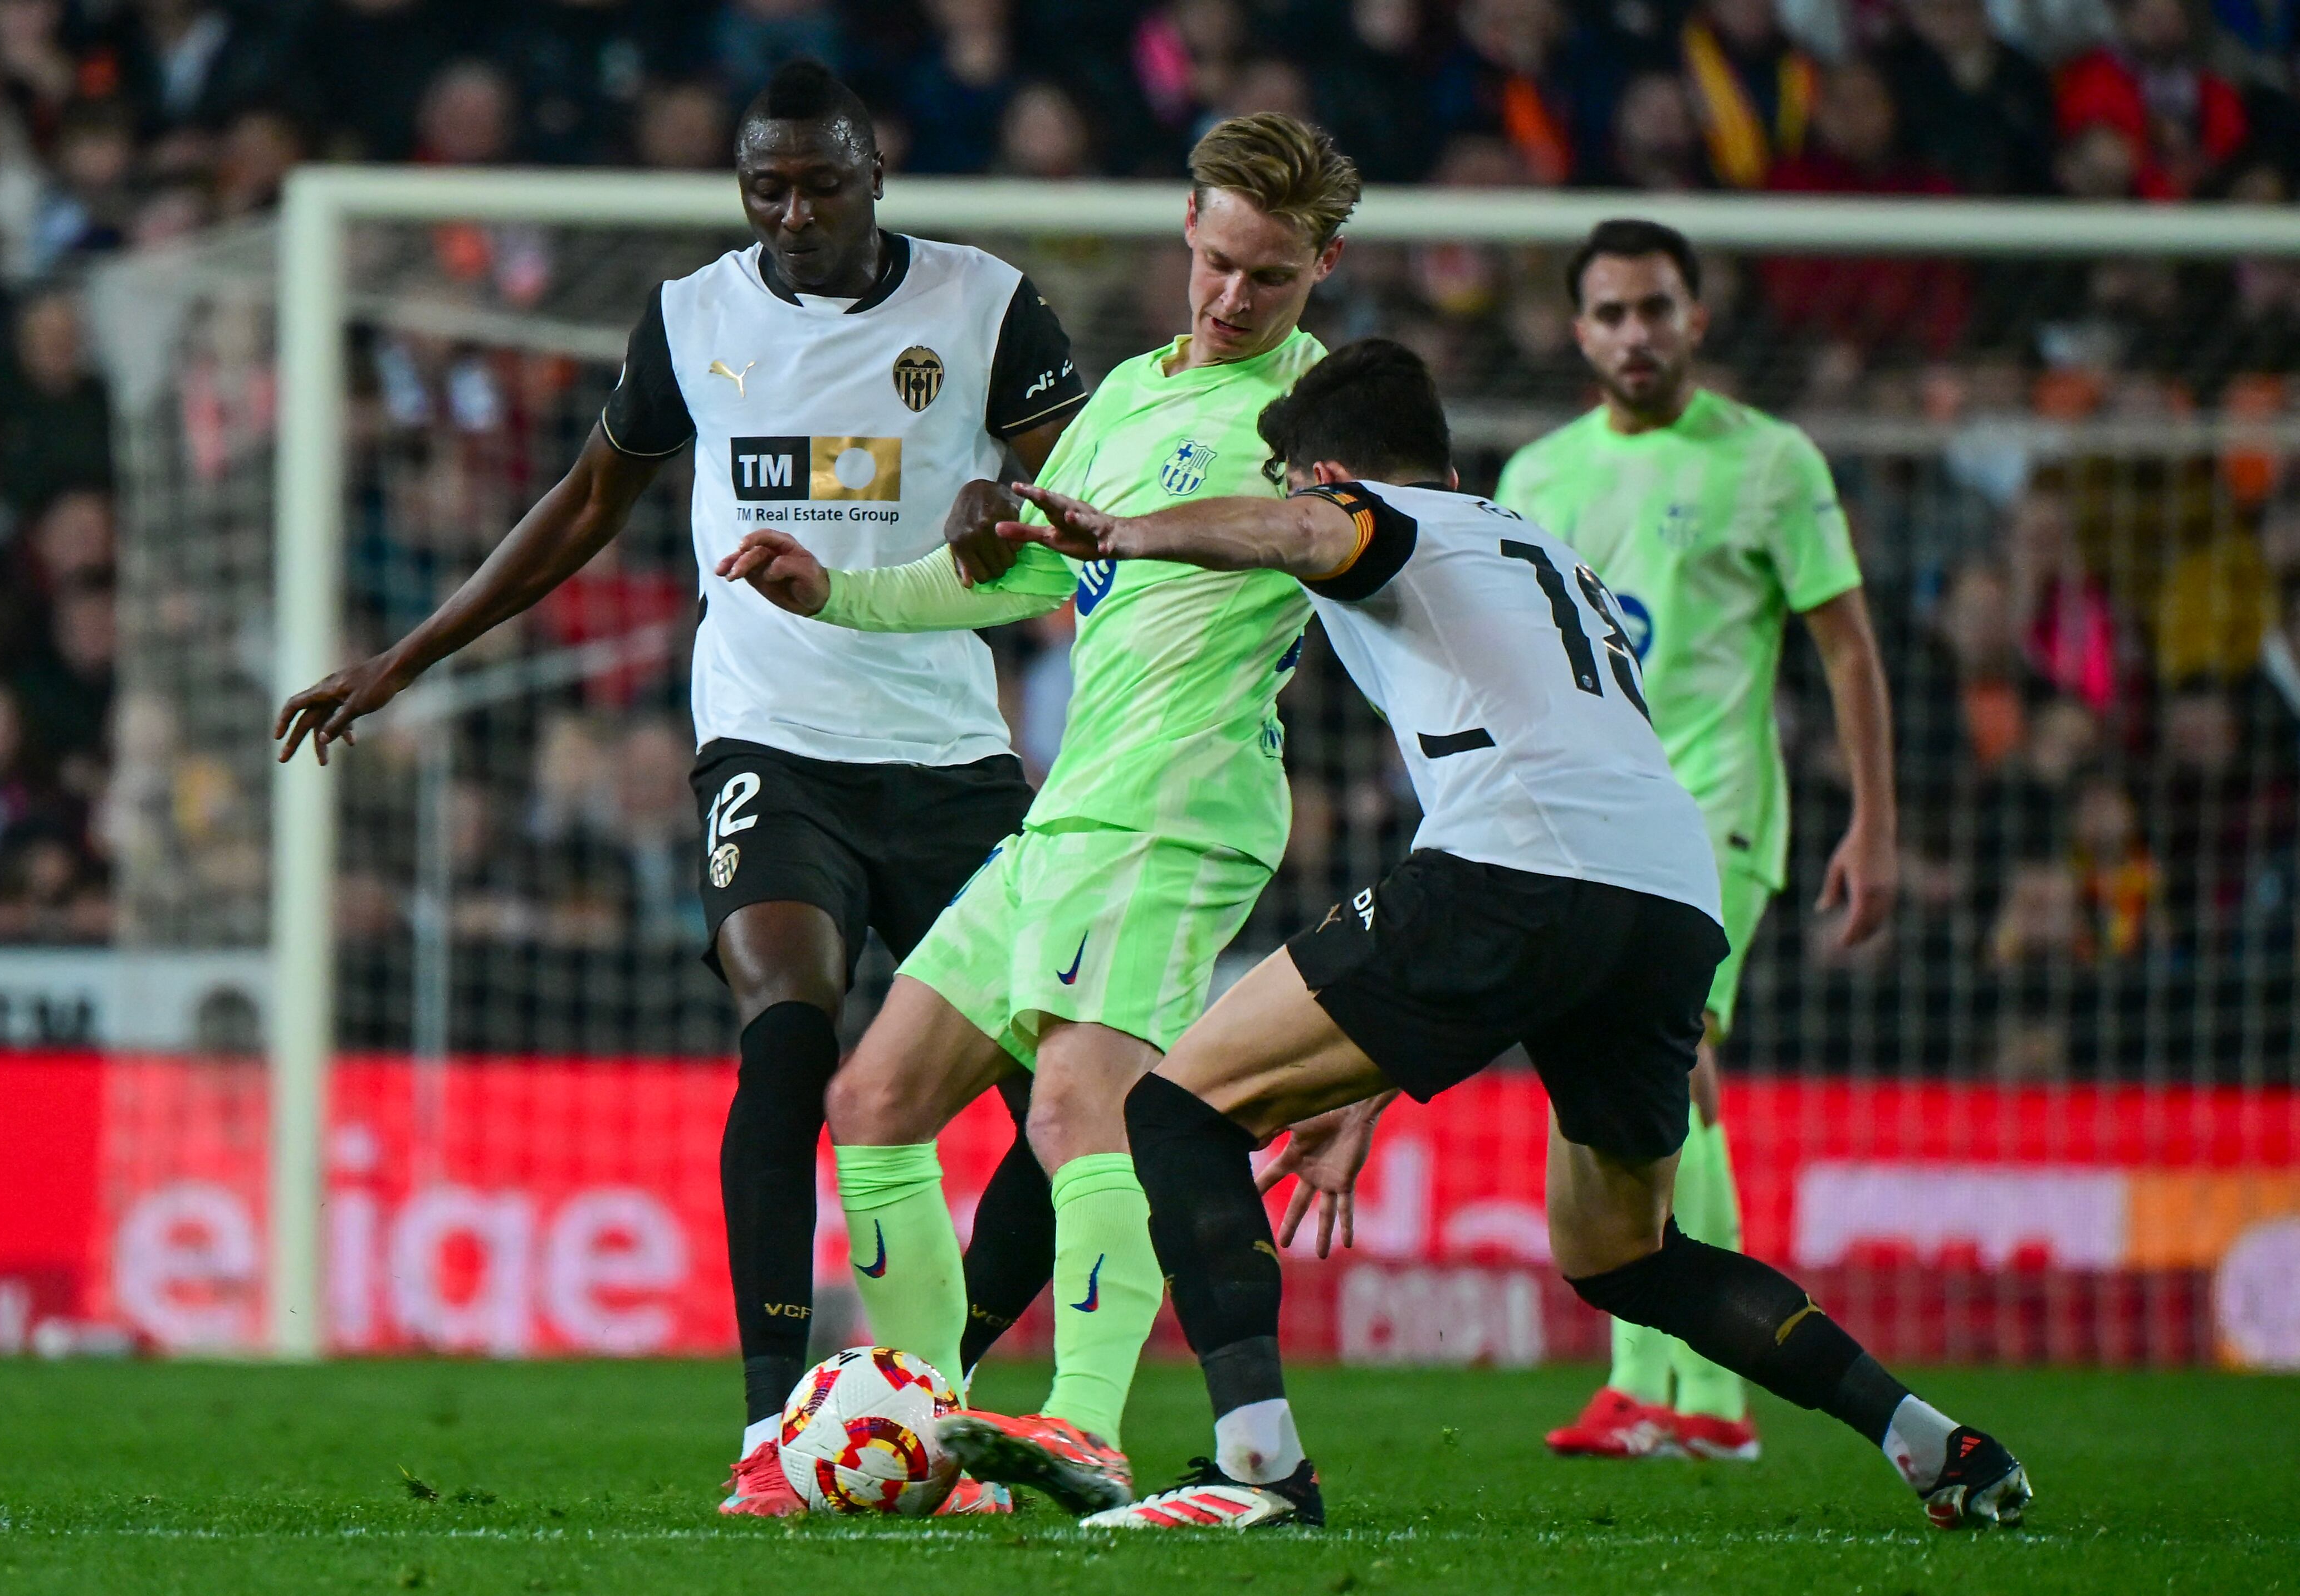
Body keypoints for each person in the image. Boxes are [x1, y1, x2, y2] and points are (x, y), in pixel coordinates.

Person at [1003, 338, 2028, 1534]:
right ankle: (1932, 1443)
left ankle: (1257, 1469)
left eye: (1295, 477)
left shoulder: (1371, 513)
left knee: (1177, 1111)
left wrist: (1122, 531)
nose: (1294, 500)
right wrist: (1369, 1079)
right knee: (1626, 1253)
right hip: (1662, 898)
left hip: (1513, 866)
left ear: (1329, 469)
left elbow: (1301, 534)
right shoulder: (1537, 542)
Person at [273, 60, 1085, 1519]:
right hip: (769, 745)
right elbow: (591, 500)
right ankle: (776, 1428)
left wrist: (1009, 502)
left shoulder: (985, 306)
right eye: (764, 186)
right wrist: (402, 657)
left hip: (953, 759)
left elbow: (1092, 502)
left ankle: (921, 1385)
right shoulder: (694, 318)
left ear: (874, 173)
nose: (791, 213)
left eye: (820, 184)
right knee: (788, 1030)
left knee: (1064, 1099)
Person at [717, 111, 1359, 1516]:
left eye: (1271, 276)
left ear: (1323, 265)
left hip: (1181, 805)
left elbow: (1372, 555)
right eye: (1221, 262)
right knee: (874, 1098)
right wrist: (841, 592)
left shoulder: (1317, 419)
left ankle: (1084, 1426)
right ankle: (927, 1436)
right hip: (1073, 805)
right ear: (1188, 227)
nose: (1233, 298)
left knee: (1078, 1105)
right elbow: (1028, 578)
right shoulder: (1128, 390)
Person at [1498, 218, 1897, 1463]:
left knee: (1677, 1062)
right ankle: (1674, 1392)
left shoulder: (1769, 461)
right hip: (1586, 815)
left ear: (1696, 317)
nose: (1635, 334)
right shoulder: (1538, 475)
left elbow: (1844, 644)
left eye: (1656, 308)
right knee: (1628, 1071)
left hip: (1716, 805)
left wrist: (1874, 820)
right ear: (1578, 331)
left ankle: (1692, 1395)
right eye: (1611, 313)